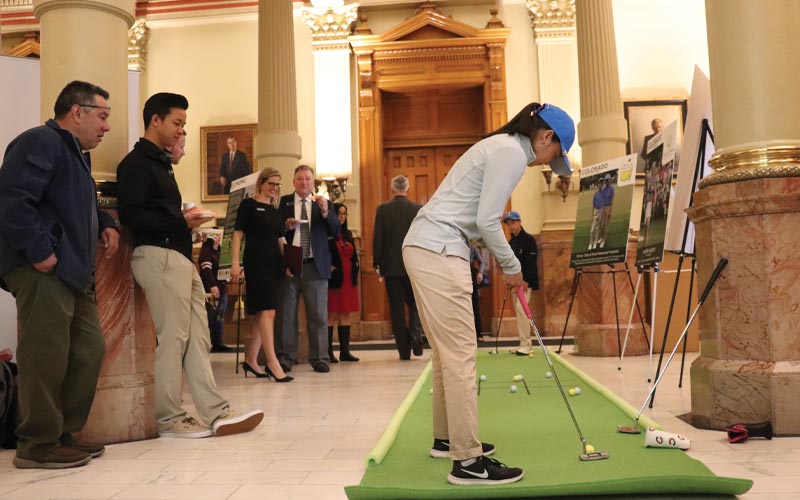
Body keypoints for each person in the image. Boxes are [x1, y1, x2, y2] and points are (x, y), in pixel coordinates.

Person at [402, 102, 575, 485]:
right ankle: (468, 462)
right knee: (462, 355)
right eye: (555, 155)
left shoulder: (501, 147)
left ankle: (447, 440)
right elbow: (486, 219)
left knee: (448, 355)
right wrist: (513, 268)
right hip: (438, 249)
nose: (549, 163)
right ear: (546, 137)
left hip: (426, 245)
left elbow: (477, 219)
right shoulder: (512, 153)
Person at [117, 92, 263, 439]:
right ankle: (169, 418)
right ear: (156, 121)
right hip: (157, 256)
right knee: (173, 338)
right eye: (177, 123)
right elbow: (131, 215)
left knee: (198, 336)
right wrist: (182, 220)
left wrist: (183, 223)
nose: (181, 130)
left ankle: (215, 411)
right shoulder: (135, 163)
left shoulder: (162, 162)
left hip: (179, 257)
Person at [0, 80, 119, 469]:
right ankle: (37, 444)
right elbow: (14, 201)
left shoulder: (76, 155)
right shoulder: (40, 142)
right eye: (101, 117)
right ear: (77, 112)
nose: (105, 127)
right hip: (42, 268)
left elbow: (74, 201)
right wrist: (39, 252)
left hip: (71, 271)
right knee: (44, 355)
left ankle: (63, 434)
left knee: (89, 350)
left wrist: (104, 222)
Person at [276, 165, 340, 373]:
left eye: (308, 179)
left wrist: (324, 212)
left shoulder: (323, 203)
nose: (304, 182)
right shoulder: (283, 203)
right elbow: (275, 230)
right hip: (290, 265)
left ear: (314, 183)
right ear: (293, 182)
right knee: (286, 315)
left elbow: (335, 230)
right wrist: (286, 226)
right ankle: (285, 358)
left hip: (315, 265)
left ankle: (320, 358)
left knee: (318, 315)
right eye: (300, 179)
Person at [230, 167, 292, 382]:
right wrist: (235, 263)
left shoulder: (276, 210)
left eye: (277, 184)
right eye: (271, 183)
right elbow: (237, 235)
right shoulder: (248, 205)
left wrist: (289, 263)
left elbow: (281, 240)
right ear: (261, 183)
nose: (274, 188)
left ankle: (251, 360)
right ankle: (272, 363)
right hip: (256, 263)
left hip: (275, 264)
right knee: (268, 312)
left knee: (262, 314)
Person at [373, 175, 424, 360]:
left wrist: (377, 263)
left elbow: (378, 238)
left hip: (392, 268)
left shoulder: (383, 210)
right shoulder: (418, 209)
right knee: (416, 304)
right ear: (407, 188)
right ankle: (416, 335)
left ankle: (404, 350)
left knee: (396, 309)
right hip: (414, 265)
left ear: (392, 188)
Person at [502, 211, 539, 356]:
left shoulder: (528, 240)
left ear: (519, 222)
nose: (511, 226)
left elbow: (531, 263)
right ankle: (522, 343)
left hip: (525, 283)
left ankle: (527, 344)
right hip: (515, 284)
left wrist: (526, 281)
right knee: (519, 311)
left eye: (513, 222)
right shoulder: (512, 243)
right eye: (508, 224)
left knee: (522, 310)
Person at [327, 203, 360, 363]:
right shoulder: (328, 233)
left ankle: (345, 351)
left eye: (344, 214)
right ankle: (328, 352)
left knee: (346, 313)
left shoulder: (348, 234)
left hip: (348, 279)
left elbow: (354, 256)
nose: (342, 217)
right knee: (332, 314)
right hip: (335, 278)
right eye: (339, 213)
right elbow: (325, 253)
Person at [199, 229, 233, 353]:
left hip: (222, 286)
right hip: (212, 288)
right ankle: (213, 342)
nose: (218, 237)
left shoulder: (219, 251)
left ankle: (218, 341)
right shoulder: (206, 251)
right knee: (212, 315)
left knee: (220, 315)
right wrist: (212, 285)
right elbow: (206, 270)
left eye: (219, 235)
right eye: (216, 235)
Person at [468, 242, 488, 341]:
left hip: (471, 276)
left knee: (475, 306)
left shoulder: (472, 247)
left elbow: (482, 262)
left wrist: (480, 272)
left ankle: (479, 334)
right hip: (458, 274)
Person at [598, 173, 615, 248]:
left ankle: (603, 240)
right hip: (603, 207)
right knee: (601, 224)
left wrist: (610, 211)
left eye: (608, 180)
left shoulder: (611, 188)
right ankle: (601, 238)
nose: (607, 182)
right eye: (606, 180)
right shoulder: (604, 188)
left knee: (606, 225)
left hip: (608, 207)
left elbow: (612, 200)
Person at [588, 181, 605, 250]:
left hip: (601, 212)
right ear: (597, 185)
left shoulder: (603, 194)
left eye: (601, 184)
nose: (600, 185)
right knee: (592, 230)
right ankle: (590, 243)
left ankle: (595, 243)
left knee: (598, 229)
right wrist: (592, 215)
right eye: (599, 184)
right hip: (596, 212)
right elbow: (593, 205)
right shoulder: (595, 194)